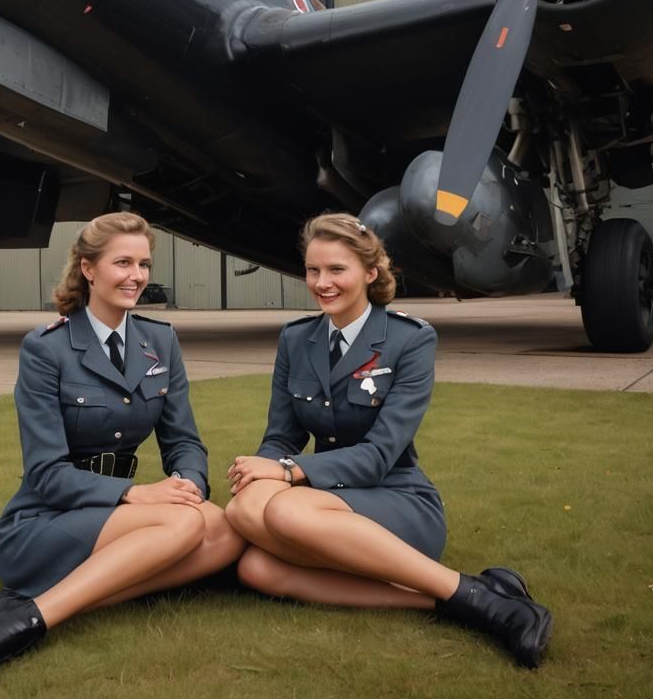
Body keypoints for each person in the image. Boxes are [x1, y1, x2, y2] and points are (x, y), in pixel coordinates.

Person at [225, 212, 553, 669]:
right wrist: (256, 473)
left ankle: (491, 605)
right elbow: (282, 437)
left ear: (369, 273)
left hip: (395, 496)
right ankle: (453, 596)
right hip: (325, 502)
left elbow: (380, 455)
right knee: (253, 561)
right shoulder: (296, 339)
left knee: (282, 508)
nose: (323, 283)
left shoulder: (408, 340)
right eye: (313, 270)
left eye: (337, 270)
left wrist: (284, 473)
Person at [0, 213, 245, 688]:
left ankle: (22, 606)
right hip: (47, 518)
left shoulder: (160, 341)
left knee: (225, 529)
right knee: (187, 523)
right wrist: (134, 494)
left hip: (121, 520)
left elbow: (183, 439)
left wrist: (189, 482)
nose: (137, 276)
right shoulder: (47, 349)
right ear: (88, 269)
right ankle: (22, 626)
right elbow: (45, 474)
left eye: (143, 264)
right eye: (122, 262)